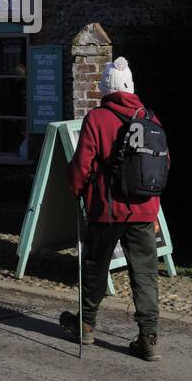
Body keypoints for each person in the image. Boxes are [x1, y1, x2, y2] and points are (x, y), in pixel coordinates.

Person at [61, 57, 168, 361]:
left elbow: (82, 164)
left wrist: (76, 189)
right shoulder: (151, 119)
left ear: (105, 88)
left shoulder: (97, 118)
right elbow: (164, 165)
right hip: (144, 211)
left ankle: (86, 324)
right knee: (145, 273)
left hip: (106, 211)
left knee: (96, 266)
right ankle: (148, 338)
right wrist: (152, 205)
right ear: (131, 86)